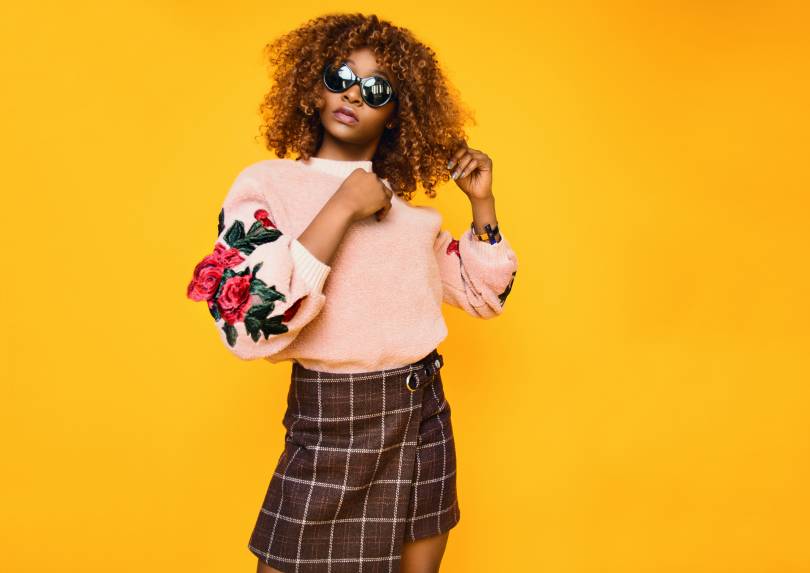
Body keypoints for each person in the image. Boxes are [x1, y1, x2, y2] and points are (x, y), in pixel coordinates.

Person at [186, 12, 518, 573]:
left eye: (376, 89)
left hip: (420, 414)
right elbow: (250, 321)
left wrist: (481, 203)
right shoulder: (268, 185)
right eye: (340, 76)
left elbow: (484, 296)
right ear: (313, 88)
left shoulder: (409, 217)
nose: (354, 94)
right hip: (328, 422)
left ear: (397, 115)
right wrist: (342, 206)